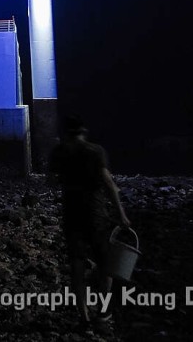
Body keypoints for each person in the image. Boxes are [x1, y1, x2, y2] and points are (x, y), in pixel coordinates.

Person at [48, 114, 131, 328]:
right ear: (84, 132)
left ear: (66, 133)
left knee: (77, 265)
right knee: (105, 265)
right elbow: (109, 183)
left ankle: (83, 316)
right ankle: (103, 312)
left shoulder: (59, 152)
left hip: (71, 214)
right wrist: (121, 214)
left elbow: (50, 181)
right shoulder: (95, 151)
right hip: (96, 215)